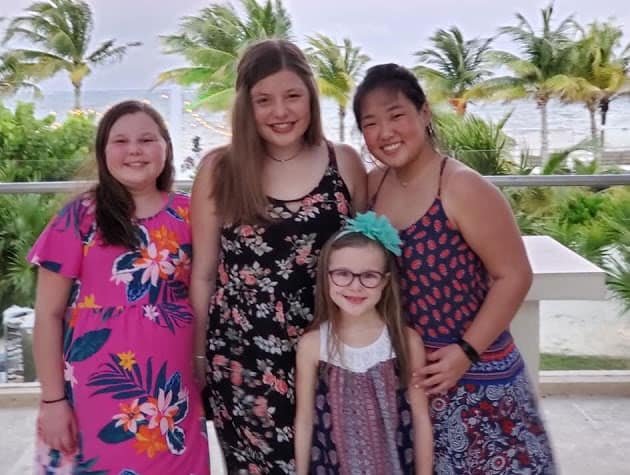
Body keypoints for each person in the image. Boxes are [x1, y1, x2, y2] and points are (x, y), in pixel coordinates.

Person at [353, 64, 556, 474]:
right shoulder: (373, 187)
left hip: (479, 381)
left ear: (424, 113)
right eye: (370, 123)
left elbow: (514, 275)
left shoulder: (462, 186)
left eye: (396, 115)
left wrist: (465, 352)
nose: (385, 132)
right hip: (410, 381)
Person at [190, 39, 367, 474]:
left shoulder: (344, 163)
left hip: (330, 351)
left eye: (292, 96)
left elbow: (366, 260)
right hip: (243, 358)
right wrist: (198, 358)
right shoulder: (219, 170)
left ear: (311, 96)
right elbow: (204, 275)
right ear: (245, 106)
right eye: (263, 100)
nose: (280, 111)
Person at [28, 100, 210, 474]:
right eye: (121, 141)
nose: (134, 150)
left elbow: (206, 294)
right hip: (93, 398)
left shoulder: (191, 214)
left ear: (166, 147)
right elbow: (47, 314)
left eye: (147, 139)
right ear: (103, 150)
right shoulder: (78, 217)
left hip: (173, 400)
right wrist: (52, 401)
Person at [294, 212, 433, 475]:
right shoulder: (313, 345)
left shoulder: (404, 341)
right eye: (342, 274)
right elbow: (304, 420)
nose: (355, 287)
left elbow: (420, 418)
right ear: (326, 277)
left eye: (369, 276)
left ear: (385, 281)